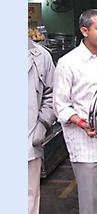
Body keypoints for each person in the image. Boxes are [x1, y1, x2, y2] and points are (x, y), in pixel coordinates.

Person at [53, 9, 97, 214]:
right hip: (86, 143)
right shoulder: (69, 63)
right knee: (92, 202)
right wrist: (83, 124)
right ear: (85, 30)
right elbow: (61, 105)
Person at [28, 37, 56, 214]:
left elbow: (52, 93)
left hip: (28, 138)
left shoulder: (41, 57)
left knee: (28, 196)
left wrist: (43, 123)